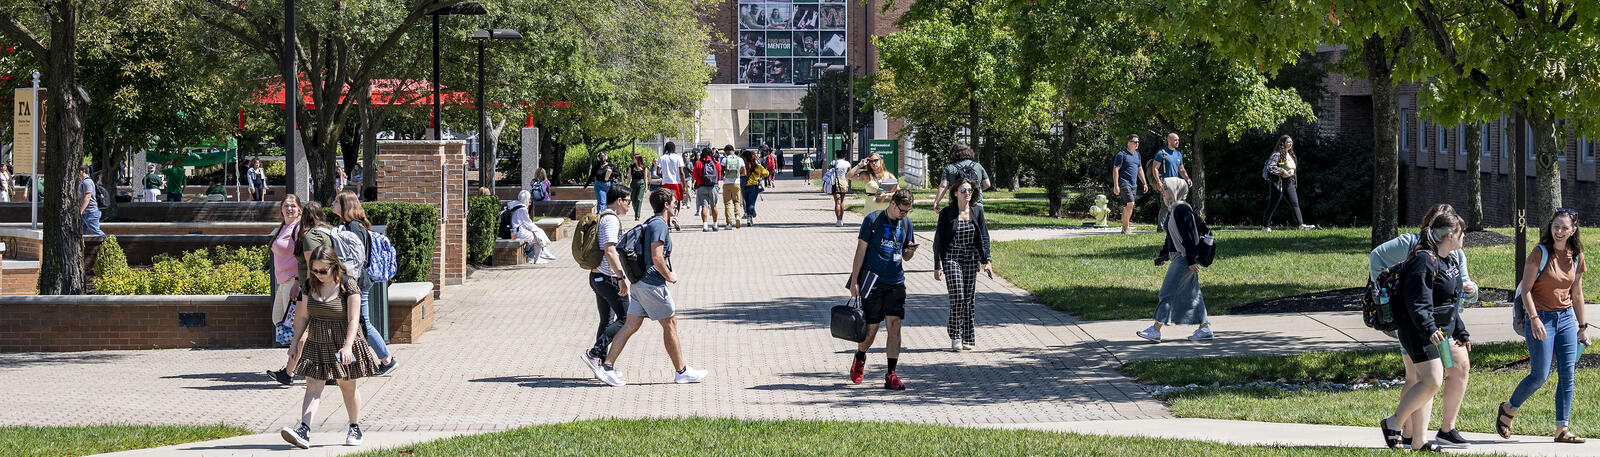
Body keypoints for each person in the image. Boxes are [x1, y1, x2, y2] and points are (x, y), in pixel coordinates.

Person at [1368, 204, 1477, 448]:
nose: (1464, 237)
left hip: (1438, 332)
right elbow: (1417, 304)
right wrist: (1430, 329)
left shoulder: (1450, 261)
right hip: (1419, 332)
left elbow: (1450, 303)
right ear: (1450, 235)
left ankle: (1418, 441)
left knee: (1433, 382)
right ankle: (1394, 422)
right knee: (1431, 381)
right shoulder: (1423, 260)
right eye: (1461, 232)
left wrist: (1460, 332)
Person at [591, 188, 708, 386]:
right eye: (674, 202)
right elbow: (657, 256)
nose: (676, 205)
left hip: (638, 283)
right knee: (670, 324)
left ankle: (607, 366)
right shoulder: (659, 225)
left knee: (631, 325)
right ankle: (682, 371)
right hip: (652, 284)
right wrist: (669, 275)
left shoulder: (653, 223)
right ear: (666, 205)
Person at [1498, 208, 1590, 444]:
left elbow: (1577, 293)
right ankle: (1509, 409)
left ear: (1573, 230)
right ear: (1551, 227)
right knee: (1540, 375)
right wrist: (1534, 318)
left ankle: (1562, 429)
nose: (1559, 231)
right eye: (1555, 226)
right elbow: (1526, 289)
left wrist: (1582, 325)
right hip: (1541, 318)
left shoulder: (1577, 256)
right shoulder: (1539, 253)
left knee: (1567, 373)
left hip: (1567, 318)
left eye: (1564, 228)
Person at [277, 245, 381, 449]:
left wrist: (348, 346)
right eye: (314, 270)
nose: (318, 274)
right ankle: (304, 430)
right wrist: (295, 343)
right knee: (313, 385)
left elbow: (354, 319)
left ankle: (354, 427)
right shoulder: (309, 285)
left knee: (347, 385)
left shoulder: (348, 285)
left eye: (323, 270)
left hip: (344, 341)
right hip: (317, 341)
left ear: (334, 266)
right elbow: (304, 316)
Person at [848, 188, 917, 390]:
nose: (904, 214)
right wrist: (854, 280)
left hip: (896, 281)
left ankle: (891, 374)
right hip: (873, 281)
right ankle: (860, 356)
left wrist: (910, 251)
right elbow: (861, 251)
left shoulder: (906, 223)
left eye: (908, 211)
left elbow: (905, 256)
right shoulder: (873, 220)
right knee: (871, 329)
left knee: (894, 325)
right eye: (902, 210)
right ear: (893, 203)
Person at [1132, 178, 1212, 343]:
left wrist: (1190, 260)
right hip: (1182, 257)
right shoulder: (1174, 209)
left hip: (1183, 259)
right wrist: (1163, 256)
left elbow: (1188, 237)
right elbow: (1170, 237)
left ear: (1175, 190)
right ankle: (1204, 329)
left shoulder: (1182, 209)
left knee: (1167, 292)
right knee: (1193, 294)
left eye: (1166, 188)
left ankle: (1155, 330)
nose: (1162, 191)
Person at [333, 190, 398, 376]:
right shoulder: (352, 225)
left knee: (362, 323)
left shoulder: (353, 227)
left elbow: (355, 258)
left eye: (337, 201)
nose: (333, 203)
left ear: (346, 205)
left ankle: (387, 360)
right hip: (358, 282)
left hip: (358, 283)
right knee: (357, 322)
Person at [933, 176, 992, 352]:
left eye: (970, 190)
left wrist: (987, 260)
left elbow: (984, 237)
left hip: (970, 257)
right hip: (952, 256)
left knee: (968, 298)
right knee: (957, 296)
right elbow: (939, 240)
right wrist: (937, 265)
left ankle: (967, 336)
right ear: (956, 193)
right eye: (963, 190)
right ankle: (955, 334)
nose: (967, 193)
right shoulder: (947, 213)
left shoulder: (977, 211)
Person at [581, 186, 632, 373]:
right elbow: (610, 250)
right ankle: (595, 353)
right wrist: (621, 277)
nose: (629, 205)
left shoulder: (603, 216)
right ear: (619, 201)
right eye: (628, 201)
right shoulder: (611, 220)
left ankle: (600, 363)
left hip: (597, 276)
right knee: (627, 318)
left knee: (606, 320)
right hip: (608, 277)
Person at [265, 195, 305, 386]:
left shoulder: (299, 228)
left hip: (293, 283)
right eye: (286, 206)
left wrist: (298, 281)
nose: (289, 209)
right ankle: (318, 366)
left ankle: (289, 372)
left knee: (297, 330)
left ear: (299, 209)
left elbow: (303, 257)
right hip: (283, 283)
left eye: (293, 206)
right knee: (279, 321)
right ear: (281, 209)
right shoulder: (284, 227)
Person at [1263, 135, 1314, 231]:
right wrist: (1283, 172)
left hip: (1289, 182)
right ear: (1283, 144)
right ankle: (1265, 226)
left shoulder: (1291, 154)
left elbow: (1293, 170)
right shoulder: (1277, 154)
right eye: (1288, 142)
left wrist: (1294, 183)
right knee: (1273, 204)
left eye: (1291, 142)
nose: (1290, 143)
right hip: (1278, 183)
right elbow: (1271, 167)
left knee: (1295, 203)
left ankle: (1301, 225)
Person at [1150, 133, 1192, 232]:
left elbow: (1181, 169)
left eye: (1178, 140)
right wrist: (1158, 182)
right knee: (1166, 205)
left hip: (1176, 184)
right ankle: (1161, 228)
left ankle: (1173, 226)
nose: (1177, 142)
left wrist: (1187, 179)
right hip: (1166, 183)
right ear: (1169, 140)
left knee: (1177, 204)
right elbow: (1155, 168)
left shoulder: (1178, 154)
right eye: (1175, 140)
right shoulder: (1162, 153)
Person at [934, 142, 990, 211]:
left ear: (953, 153)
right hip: (976, 204)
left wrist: (936, 202)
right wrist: (975, 190)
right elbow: (987, 184)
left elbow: (943, 186)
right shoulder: (978, 166)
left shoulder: (950, 167)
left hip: (957, 205)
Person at [1110, 134, 1147, 235]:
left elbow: (1140, 169)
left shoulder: (1137, 154)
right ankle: (1126, 228)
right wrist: (1116, 185)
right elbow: (1115, 169)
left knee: (1128, 206)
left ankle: (1124, 228)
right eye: (1135, 142)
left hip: (1134, 184)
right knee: (1131, 203)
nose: (1137, 144)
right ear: (1129, 143)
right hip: (1124, 183)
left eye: (1138, 142)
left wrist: (1144, 183)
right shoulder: (1121, 154)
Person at [510, 190, 557, 263]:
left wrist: (537, 230)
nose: (530, 201)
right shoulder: (522, 209)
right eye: (529, 199)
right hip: (518, 233)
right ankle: (538, 257)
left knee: (537, 233)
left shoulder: (514, 205)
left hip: (514, 231)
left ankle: (535, 255)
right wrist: (537, 229)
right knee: (536, 237)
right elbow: (528, 224)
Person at [654, 142, 687, 230]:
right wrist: (684, 185)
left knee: (667, 203)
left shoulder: (662, 158)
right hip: (676, 183)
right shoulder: (678, 157)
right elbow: (681, 172)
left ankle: (668, 224)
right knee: (677, 201)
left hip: (665, 183)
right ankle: (675, 216)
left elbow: (657, 172)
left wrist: (664, 176)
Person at [692, 148, 723, 232]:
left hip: (701, 187)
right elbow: (719, 177)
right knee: (714, 206)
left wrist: (699, 180)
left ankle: (705, 226)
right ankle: (715, 224)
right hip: (713, 187)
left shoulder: (698, 163)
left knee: (704, 206)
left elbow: (694, 176)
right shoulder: (716, 163)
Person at [740, 149, 769, 227]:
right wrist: (759, 176)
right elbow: (766, 173)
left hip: (743, 186)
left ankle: (750, 213)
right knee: (751, 203)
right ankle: (750, 218)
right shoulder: (757, 166)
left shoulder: (743, 166)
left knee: (746, 202)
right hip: (753, 186)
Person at [720, 146, 744, 229]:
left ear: (726, 151)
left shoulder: (724, 160)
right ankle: (737, 216)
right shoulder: (739, 159)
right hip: (736, 183)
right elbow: (744, 172)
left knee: (727, 203)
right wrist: (738, 176)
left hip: (726, 183)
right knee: (736, 202)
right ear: (733, 150)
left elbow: (721, 171)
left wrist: (725, 175)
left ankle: (729, 223)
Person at [829, 150, 852, 226]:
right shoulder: (847, 163)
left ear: (837, 155)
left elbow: (830, 171)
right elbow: (849, 173)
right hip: (843, 181)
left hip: (835, 182)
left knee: (837, 202)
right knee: (842, 201)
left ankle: (838, 220)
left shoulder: (833, 162)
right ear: (844, 156)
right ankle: (841, 219)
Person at [79, 168, 104, 236]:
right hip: (86, 213)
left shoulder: (87, 182)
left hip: (90, 212)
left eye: (78, 170)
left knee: (97, 232)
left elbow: (87, 197)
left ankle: (110, 243)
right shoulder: (83, 181)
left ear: (83, 170)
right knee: (80, 233)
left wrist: (81, 210)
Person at [629, 154, 648, 221]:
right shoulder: (631, 167)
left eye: (634, 158)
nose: (633, 159)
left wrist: (646, 187)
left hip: (641, 184)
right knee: (633, 200)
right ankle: (636, 211)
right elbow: (629, 177)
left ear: (638, 159)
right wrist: (627, 185)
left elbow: (645, 178)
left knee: (639, 199)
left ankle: (637, 215)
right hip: (633, 183)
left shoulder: (644, 168)